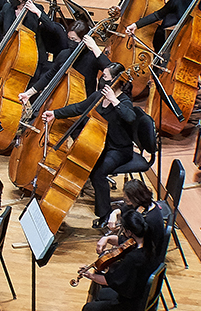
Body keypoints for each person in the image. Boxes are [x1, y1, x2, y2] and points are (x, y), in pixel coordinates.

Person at [42, 63, 149, 222]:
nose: (101, 80)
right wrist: (55, 114)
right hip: (101, 144)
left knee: (98, 172)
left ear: (116, 81)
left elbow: (130, 117)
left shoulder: (124, 101)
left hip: (119, 150)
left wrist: (114, 100)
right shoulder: (99, 96)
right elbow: (79, 108)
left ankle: (104, 215)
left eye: (105, 77)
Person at [75, 208, 153, 311]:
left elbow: (109, 281)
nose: (123, 233)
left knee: (88, 310)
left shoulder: (133, 259)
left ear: (130, 231)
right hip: (141, 297)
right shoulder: (148, 244)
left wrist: (90, 275)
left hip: (131, 307)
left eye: (124, 230)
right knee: (100, 297)